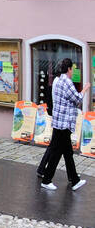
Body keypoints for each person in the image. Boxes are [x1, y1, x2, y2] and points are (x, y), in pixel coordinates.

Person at [38, 57, 87, 191]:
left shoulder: (57, 80)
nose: (72, 72)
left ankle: (74, 180)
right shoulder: (67, 82)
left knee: (67, 152)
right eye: (72, 69)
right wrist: (85, 89)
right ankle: (47, 179)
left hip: (59, 120)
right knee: (57, 152)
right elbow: (77, 99)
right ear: (69, 69)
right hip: (64, 122)